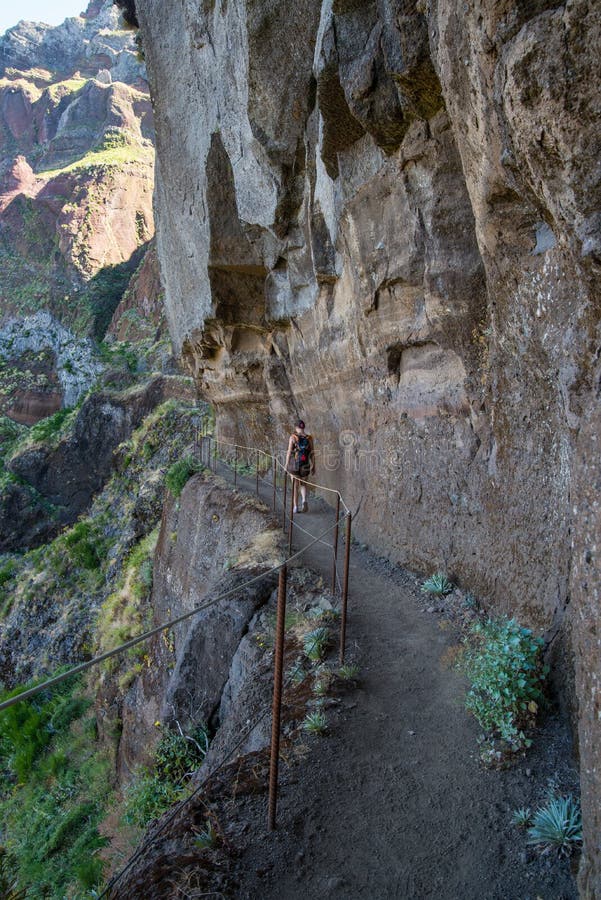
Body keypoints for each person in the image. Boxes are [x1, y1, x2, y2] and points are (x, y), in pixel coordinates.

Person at [285, 419, 315, 513]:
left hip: (294, 465)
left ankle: (295, 507)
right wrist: (314, 465)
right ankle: (304, 500)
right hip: (305, 464)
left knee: (295, 485)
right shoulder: (309, 438)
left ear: (296, 427)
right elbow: (312, 453)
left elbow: (289, 452)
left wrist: (286, 465)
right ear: (303, 427)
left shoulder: (293, 437)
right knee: (303, 484)